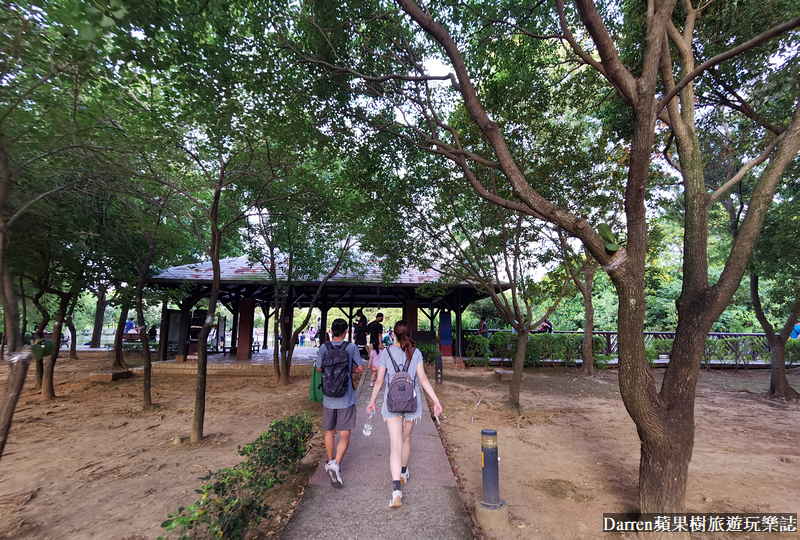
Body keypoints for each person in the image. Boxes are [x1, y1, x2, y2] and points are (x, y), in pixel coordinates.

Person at [366, 320, 442, 508]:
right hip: (411, 402)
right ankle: (404, 471)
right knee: (406, 440)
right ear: (410, 333)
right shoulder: (416, 353)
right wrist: (435, 400)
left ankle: (396, 491)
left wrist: (372, 401)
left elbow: (379, 381)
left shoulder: (387, 352)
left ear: (394, 334)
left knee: (395, 444)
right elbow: (422, 379)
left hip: (391, 403)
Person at [315, 318, 364, 488]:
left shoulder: (324, 347)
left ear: (331, 331)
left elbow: (319, 368)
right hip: (346, 396)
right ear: (345, 332)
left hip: (328, 396)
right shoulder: (350, 347)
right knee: (344, 434)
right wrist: (349, 369)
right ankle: (336, 464)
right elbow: (360, 368)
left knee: (329, 430)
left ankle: (329, 461)